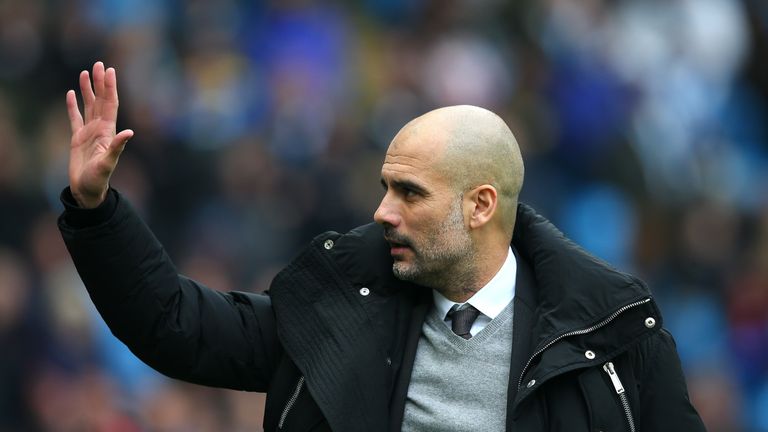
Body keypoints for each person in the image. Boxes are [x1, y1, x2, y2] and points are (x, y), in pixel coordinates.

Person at [59, 62, 706, 431]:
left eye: (411, 194)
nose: (382, 212)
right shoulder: (337, 303)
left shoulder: (616, 335)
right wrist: (96, 210)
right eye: (385, 187)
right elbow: (175, 326)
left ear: (481, 205)